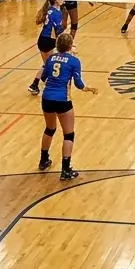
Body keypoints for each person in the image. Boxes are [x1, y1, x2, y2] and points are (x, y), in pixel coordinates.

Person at [36, 32, 97, 181]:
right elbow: (78, 84)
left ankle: (43, 160)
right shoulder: (74, 61)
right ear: (70, 46)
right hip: (62, 99)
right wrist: (88, 89)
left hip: (47, 98)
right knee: (68, 134)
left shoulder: (50, 58)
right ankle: (65, 170)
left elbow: (43, 77)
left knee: (50, 129)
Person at [28, 0, 65, 94]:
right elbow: (57, 30)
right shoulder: (57, 13)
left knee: (47, 64)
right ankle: (39, 84)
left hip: (42, 39)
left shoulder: (49, 10)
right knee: (49, 64)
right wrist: (65, 41)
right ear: (55, 0)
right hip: (48, 41)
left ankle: (36, 84)